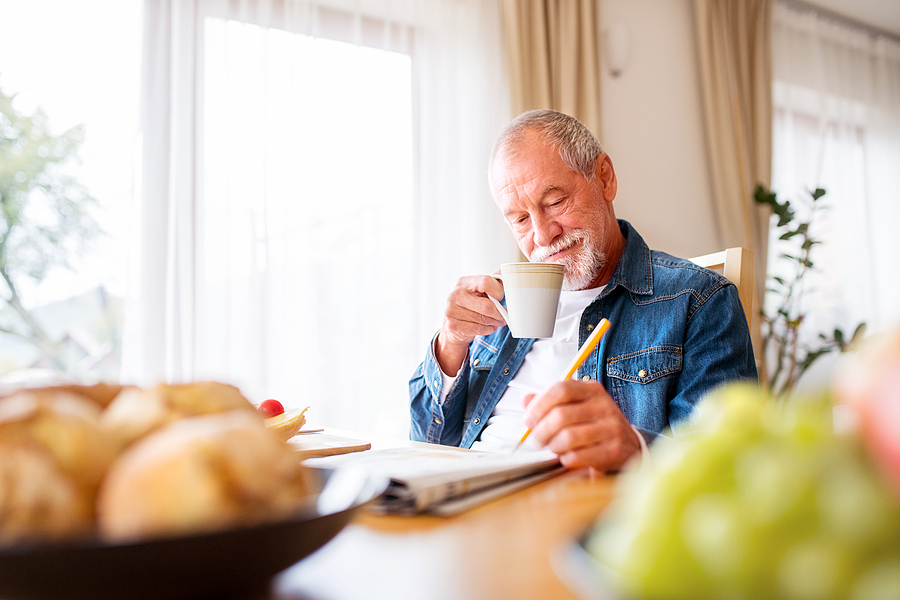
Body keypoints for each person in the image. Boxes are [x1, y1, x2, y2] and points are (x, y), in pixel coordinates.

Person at [409, 109, 758, 472]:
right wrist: (450, 344)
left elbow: (730, 465)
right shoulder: (501, 304)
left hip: (585, 515)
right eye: (520, 219)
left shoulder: (697, 299)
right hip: (470, 502)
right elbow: (426, 446)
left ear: (604, 178)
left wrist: (637, 451)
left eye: (555, 202)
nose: (543, 236)